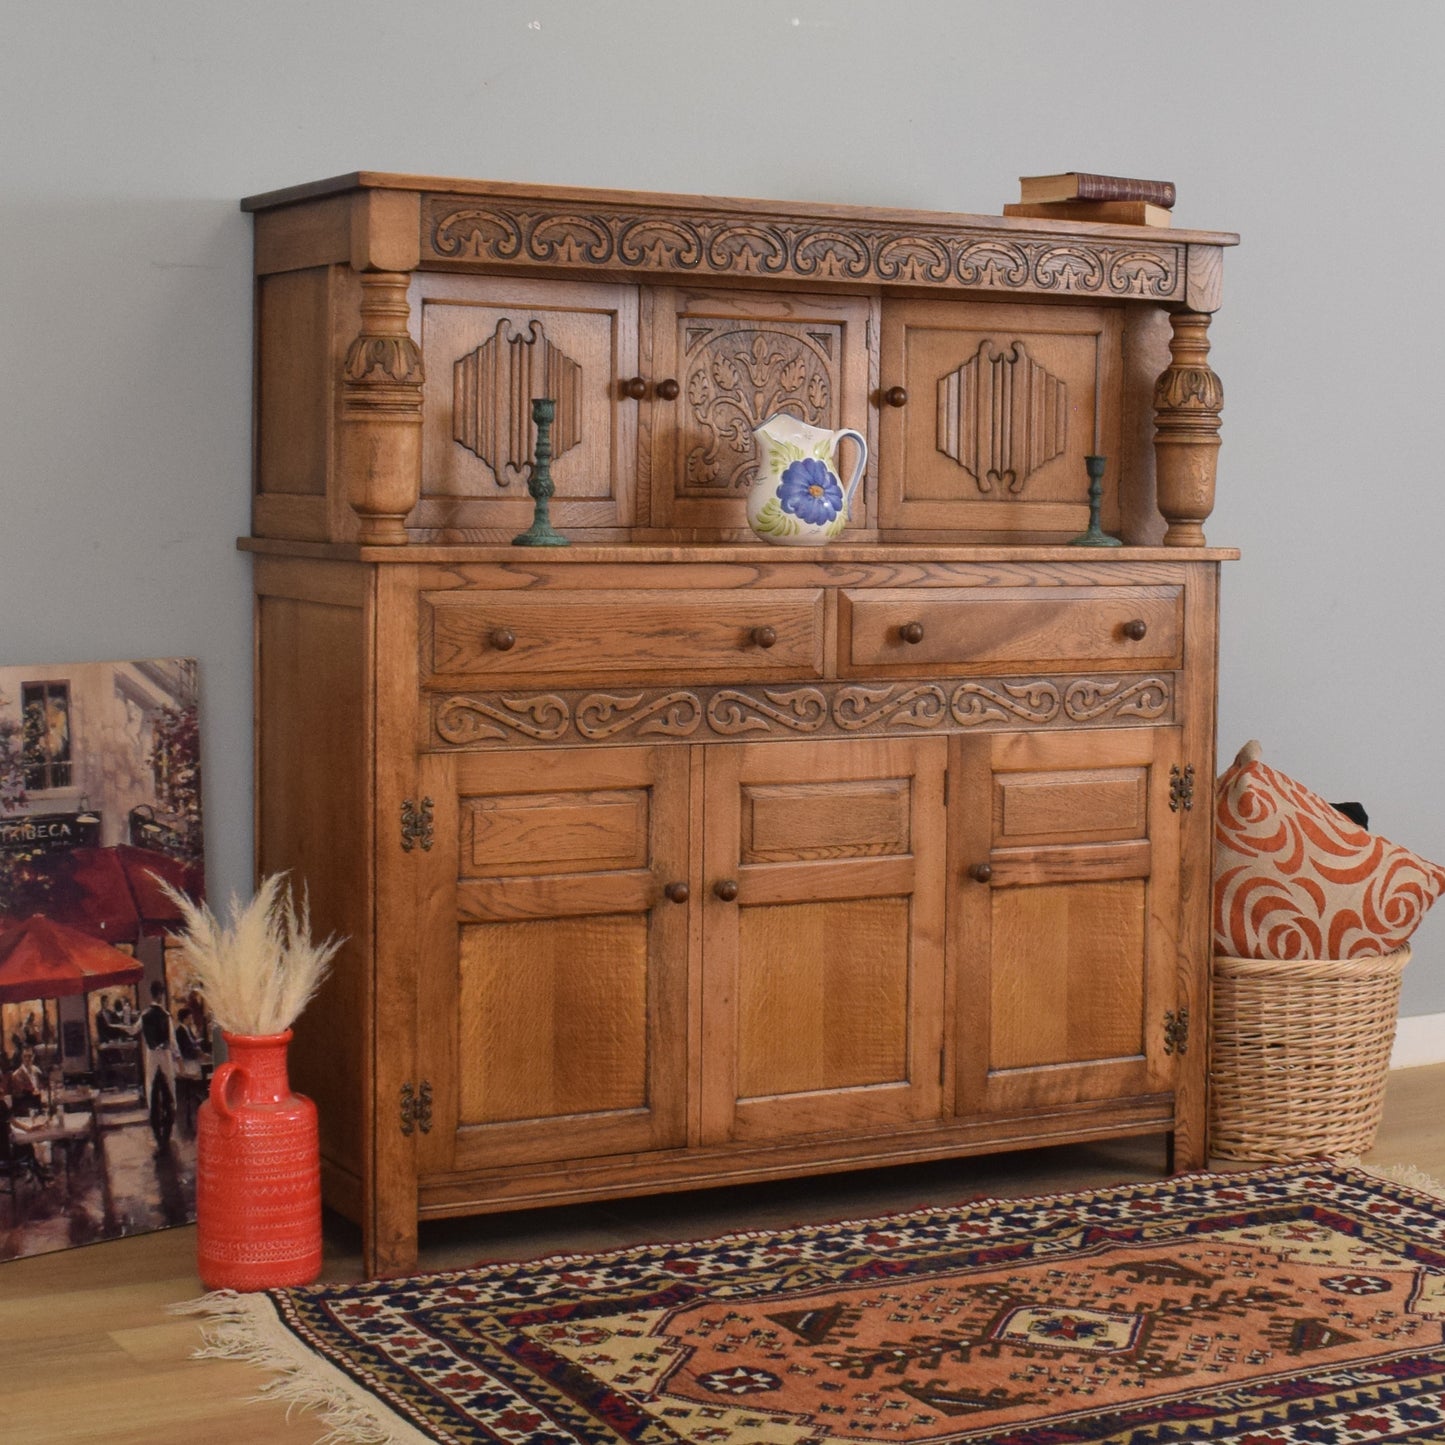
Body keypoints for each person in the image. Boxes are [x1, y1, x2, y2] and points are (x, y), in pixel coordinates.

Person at [121, 981, 178, 1147]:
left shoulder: (144, 1015)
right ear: (161, 995)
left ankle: (157, 1135)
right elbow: (173, 1043)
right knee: (169, 1091)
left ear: (151, 994)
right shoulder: (166, 1016)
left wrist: (122, 1026)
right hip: (165, 1057)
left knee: (152, 1089)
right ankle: (167, 1132)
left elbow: (133, 1030)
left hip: (152, 1057)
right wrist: (178, 1058)